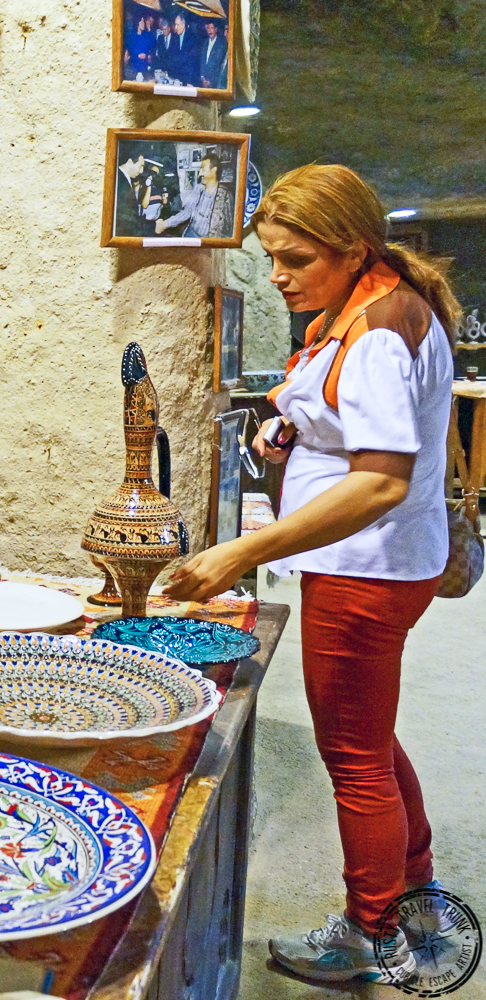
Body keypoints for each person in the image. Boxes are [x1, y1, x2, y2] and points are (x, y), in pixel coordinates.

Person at [166, 163, 460, 985]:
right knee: (367, 735)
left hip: (363, 569)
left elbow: (380, 479)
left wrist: (239, 552)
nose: (278, 277)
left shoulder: (371, 333)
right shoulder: (370, 304)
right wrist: (292, 430)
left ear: (350, 246)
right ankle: (413, 888)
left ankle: (372, 933)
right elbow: (341, 423)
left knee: (353, 759)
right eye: (270, 258)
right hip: (380, 566)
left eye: (294, 259)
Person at [155, 152, 233, 238]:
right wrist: (165, 223)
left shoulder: (225, 196)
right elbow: (187, 212)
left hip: (207, 242)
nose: (200, 174)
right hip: (190, 234)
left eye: (203, 169)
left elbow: (228, 229)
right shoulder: (198, 189)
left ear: (214, 170)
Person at [197, 19, 228, 90]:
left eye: (212, 28)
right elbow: (202, 61)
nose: (210, 31)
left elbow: (220, 66)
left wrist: (211, 81)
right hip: (203, 83)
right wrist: (202, 78)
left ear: (216, 29)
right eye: (208, 28)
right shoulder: (204, 43)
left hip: (215, 84)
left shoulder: (222, 44)